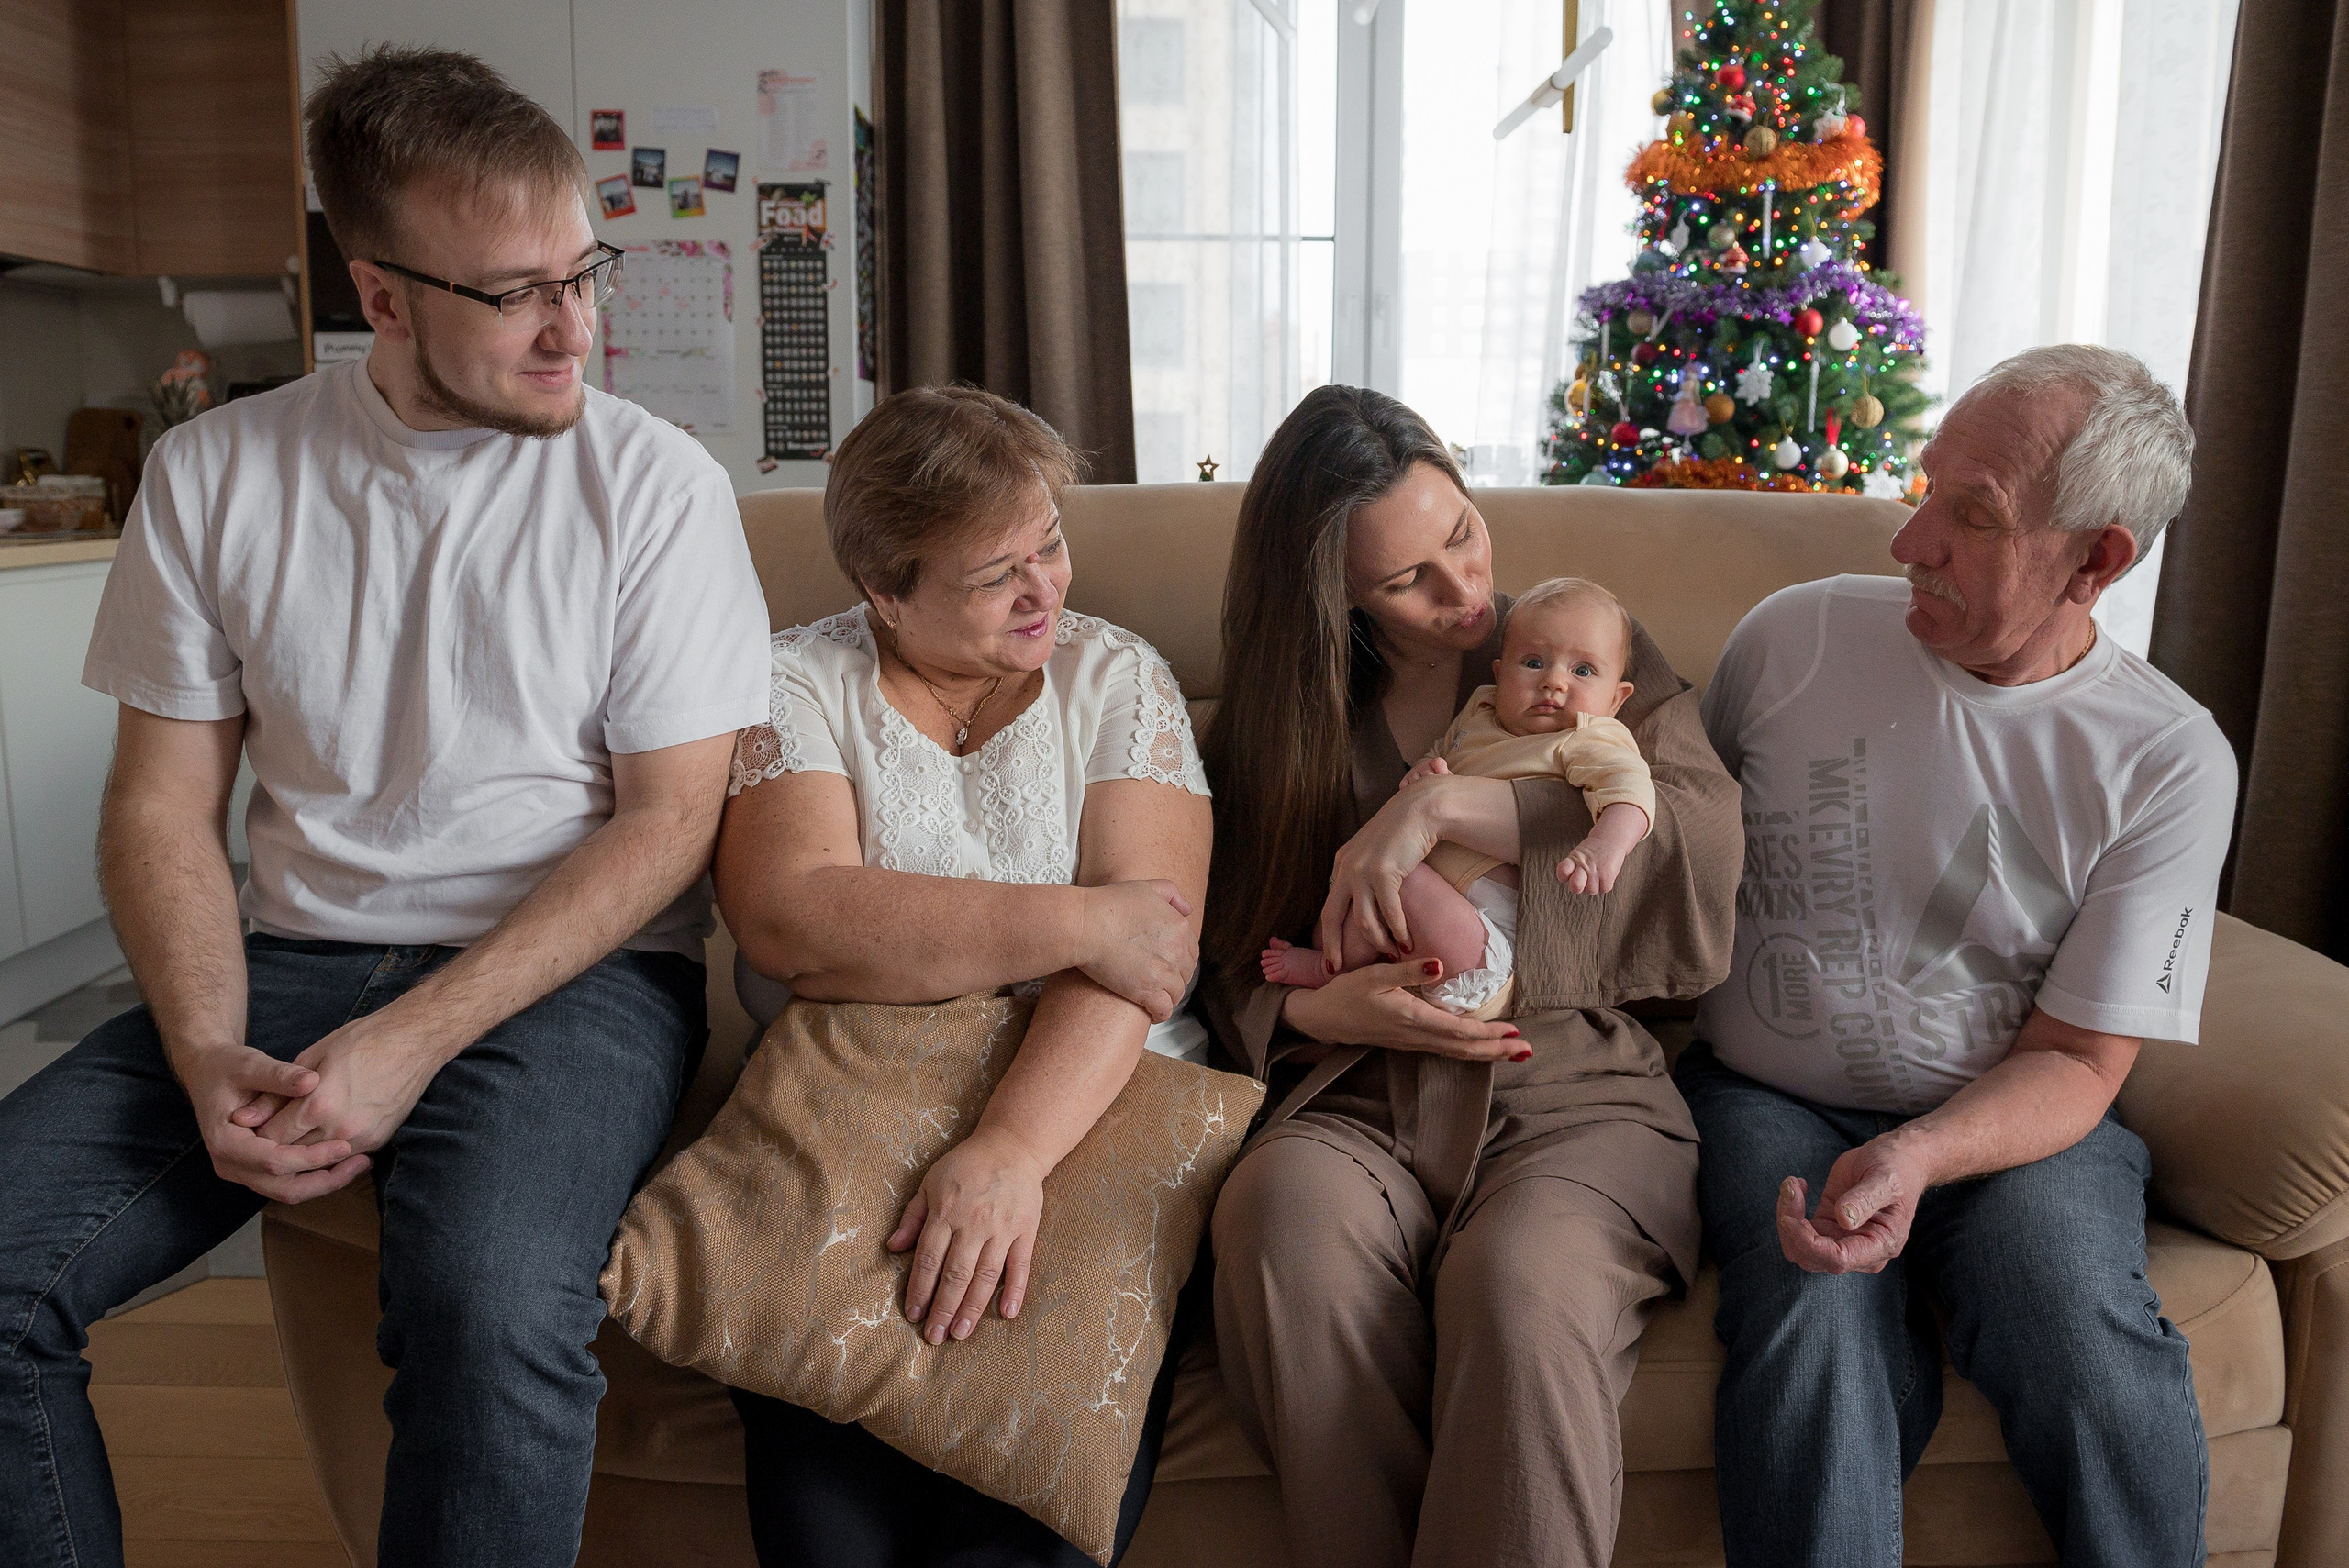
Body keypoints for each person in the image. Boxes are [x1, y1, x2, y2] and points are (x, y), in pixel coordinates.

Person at [0, 48, 772, 1568]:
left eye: (582, 270)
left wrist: (409, 1039)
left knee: (487, 1304)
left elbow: (670, 822)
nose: (575, 327)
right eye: (514, 292)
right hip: (285, 955)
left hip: (580, 974)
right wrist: (211, 1041)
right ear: (384, 293)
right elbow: (162, 804)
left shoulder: (659, 486)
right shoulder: (215, 471)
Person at [1676, 343, 2233, 1567]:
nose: (1909, 541)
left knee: (2077, 1326)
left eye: (1971, 515)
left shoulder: (2167, 758)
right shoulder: (1795, 640)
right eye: (1925, 487)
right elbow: (1664, 858)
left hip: (2015, 1121)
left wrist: (1920, 1152)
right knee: (1812, 1296)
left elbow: (2085, 1058)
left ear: (2099, 559)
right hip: (1768, 1091)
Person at [1200, 385, 1744, 1568]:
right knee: (1284, 1222)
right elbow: (1211, 943)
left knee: (1521, 1283)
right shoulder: (1275, 720)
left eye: (1461, 534)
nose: (1461, 592)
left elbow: (1699, 835)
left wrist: (1453, 803)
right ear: (1331, 592)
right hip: (1356, 1090)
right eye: (1407, 579)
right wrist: (1308, 1004)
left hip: (1571, 1091)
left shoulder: (1571, 639)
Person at [714, 384, 1214, 1566]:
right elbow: (797, 922)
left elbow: (1146, 957)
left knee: (1023, 1524)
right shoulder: (791, 683)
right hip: (837, 1113)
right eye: (997, 574)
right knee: (828, 1525)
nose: (1047, 587)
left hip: (1089, 1108)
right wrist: (1080, 916)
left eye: (1050, 543)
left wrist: (1008, 1152)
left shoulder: (1119, 680)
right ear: (883, 589)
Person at [1261, 573, 1655, 1019]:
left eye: (1582, 671)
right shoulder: (1480, 713)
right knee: (1367, 875)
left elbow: (1629, 789)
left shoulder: (1587, 737)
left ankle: (1332, 969)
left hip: (1486, 944)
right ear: (1499, 671)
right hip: (1427, 916)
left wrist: (1607, 844)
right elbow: (1437, 760)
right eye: (1532, 663)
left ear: (1616, 699)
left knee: (1395, 876)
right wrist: (1425, 774)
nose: (1553, 683)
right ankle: (1335, 961)